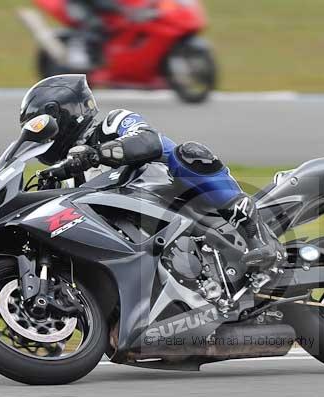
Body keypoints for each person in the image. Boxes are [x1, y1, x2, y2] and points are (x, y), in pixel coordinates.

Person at [19, 74, 279, 267]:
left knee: (187, 153)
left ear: (61, 113)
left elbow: (148, 141)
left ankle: (254, 232)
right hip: (140, 237)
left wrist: (95, 154)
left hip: (172, 196)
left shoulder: (112, 123)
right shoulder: (68, 179)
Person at [65, 0, 119, 69]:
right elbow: (102, 3)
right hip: (78, 6)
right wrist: (119, 8)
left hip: (91, 8)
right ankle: (81, 54)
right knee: (94, 25)